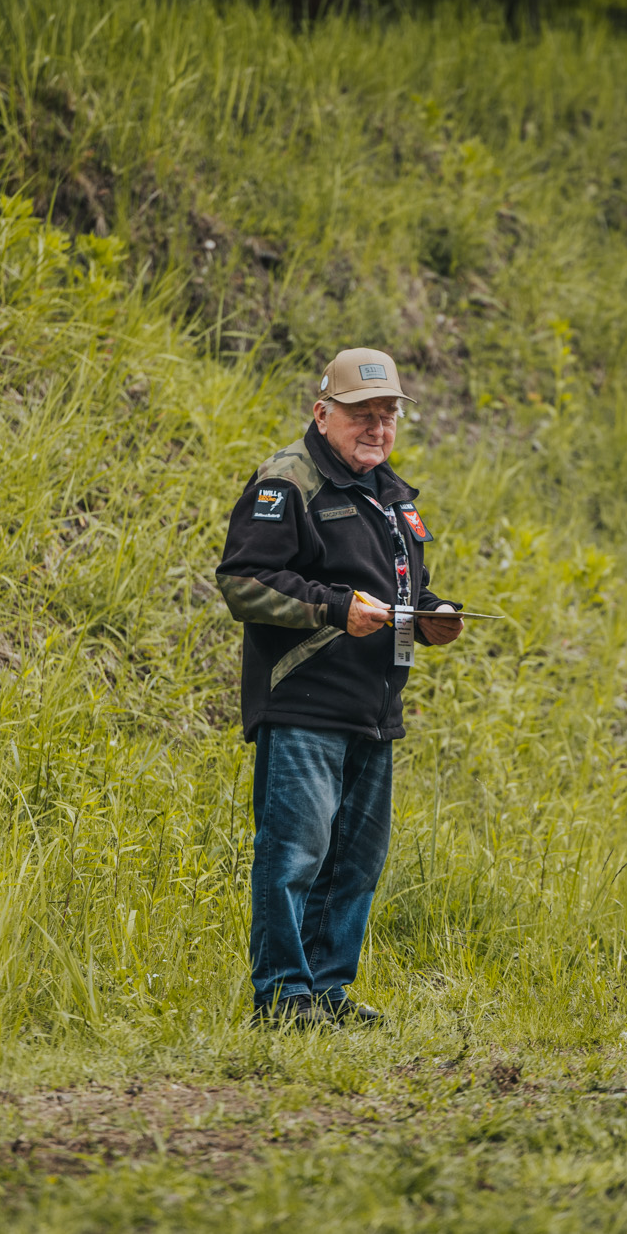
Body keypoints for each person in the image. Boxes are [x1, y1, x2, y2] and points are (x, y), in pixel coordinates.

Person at [215, 347, 464, 1028]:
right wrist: (333, 609)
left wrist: (433, 613)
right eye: (362, 415)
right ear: (322, 413)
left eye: (388, 415)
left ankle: (326, 992)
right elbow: (243, 582)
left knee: (354, 862)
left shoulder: (393, 496)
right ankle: (283, 997)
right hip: (304, 704)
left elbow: (401, 590)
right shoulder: (286, 480)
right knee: (295, 855)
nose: (377, 428)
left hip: (373, 710)